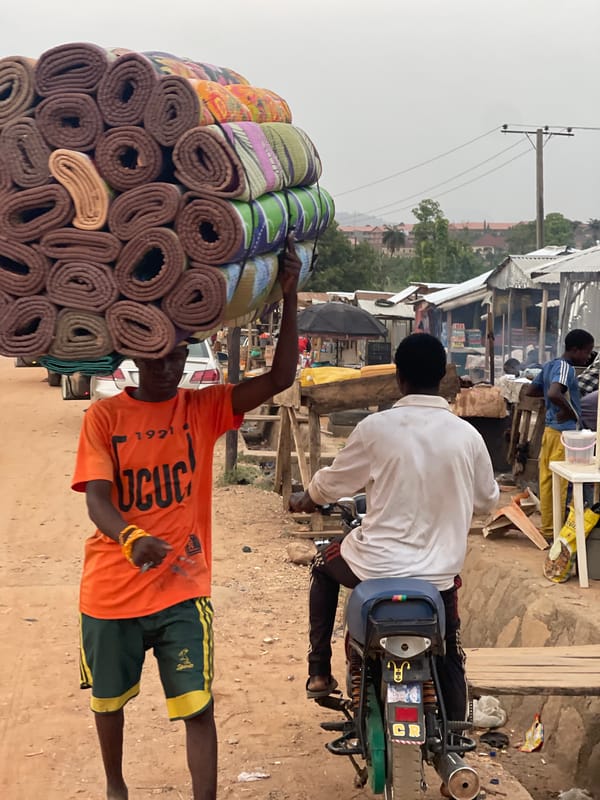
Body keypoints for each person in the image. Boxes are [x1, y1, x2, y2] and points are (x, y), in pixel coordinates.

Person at [72, 234, 301, 800]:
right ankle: (115, 787)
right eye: (158, 355)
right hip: (111, 591)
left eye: (178, 355)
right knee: (109, 703)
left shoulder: (201, 408)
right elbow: (97, 497)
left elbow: (278, 380)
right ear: (135, 356)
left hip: (181, 589)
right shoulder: (105, 417)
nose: (169, 366)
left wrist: (291, 296)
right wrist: (131, 537)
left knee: (198, 708)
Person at [289, 333, 499, 722]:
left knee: (322, 565)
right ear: (443, 378)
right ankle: (454, 733)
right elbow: (487, 501)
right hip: (437, 575)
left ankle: (319, 671)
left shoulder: (376, 429)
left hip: (375, 567)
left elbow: (332, 483)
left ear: (399, 378)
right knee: (450, 647)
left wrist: (307, 498)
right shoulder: (468, 436)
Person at [526, 329, 595, 539]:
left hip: (550, 431)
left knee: (548, 481)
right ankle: (559, 530)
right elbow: (554, 392)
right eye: (586, 352)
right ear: (575, 350)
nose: (587, 357)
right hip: (565, 435)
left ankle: (548, 529)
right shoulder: (566, 368)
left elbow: (532, 390)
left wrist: (552, 406)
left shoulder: (549, 365)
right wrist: (565, 409)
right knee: (562, 483)